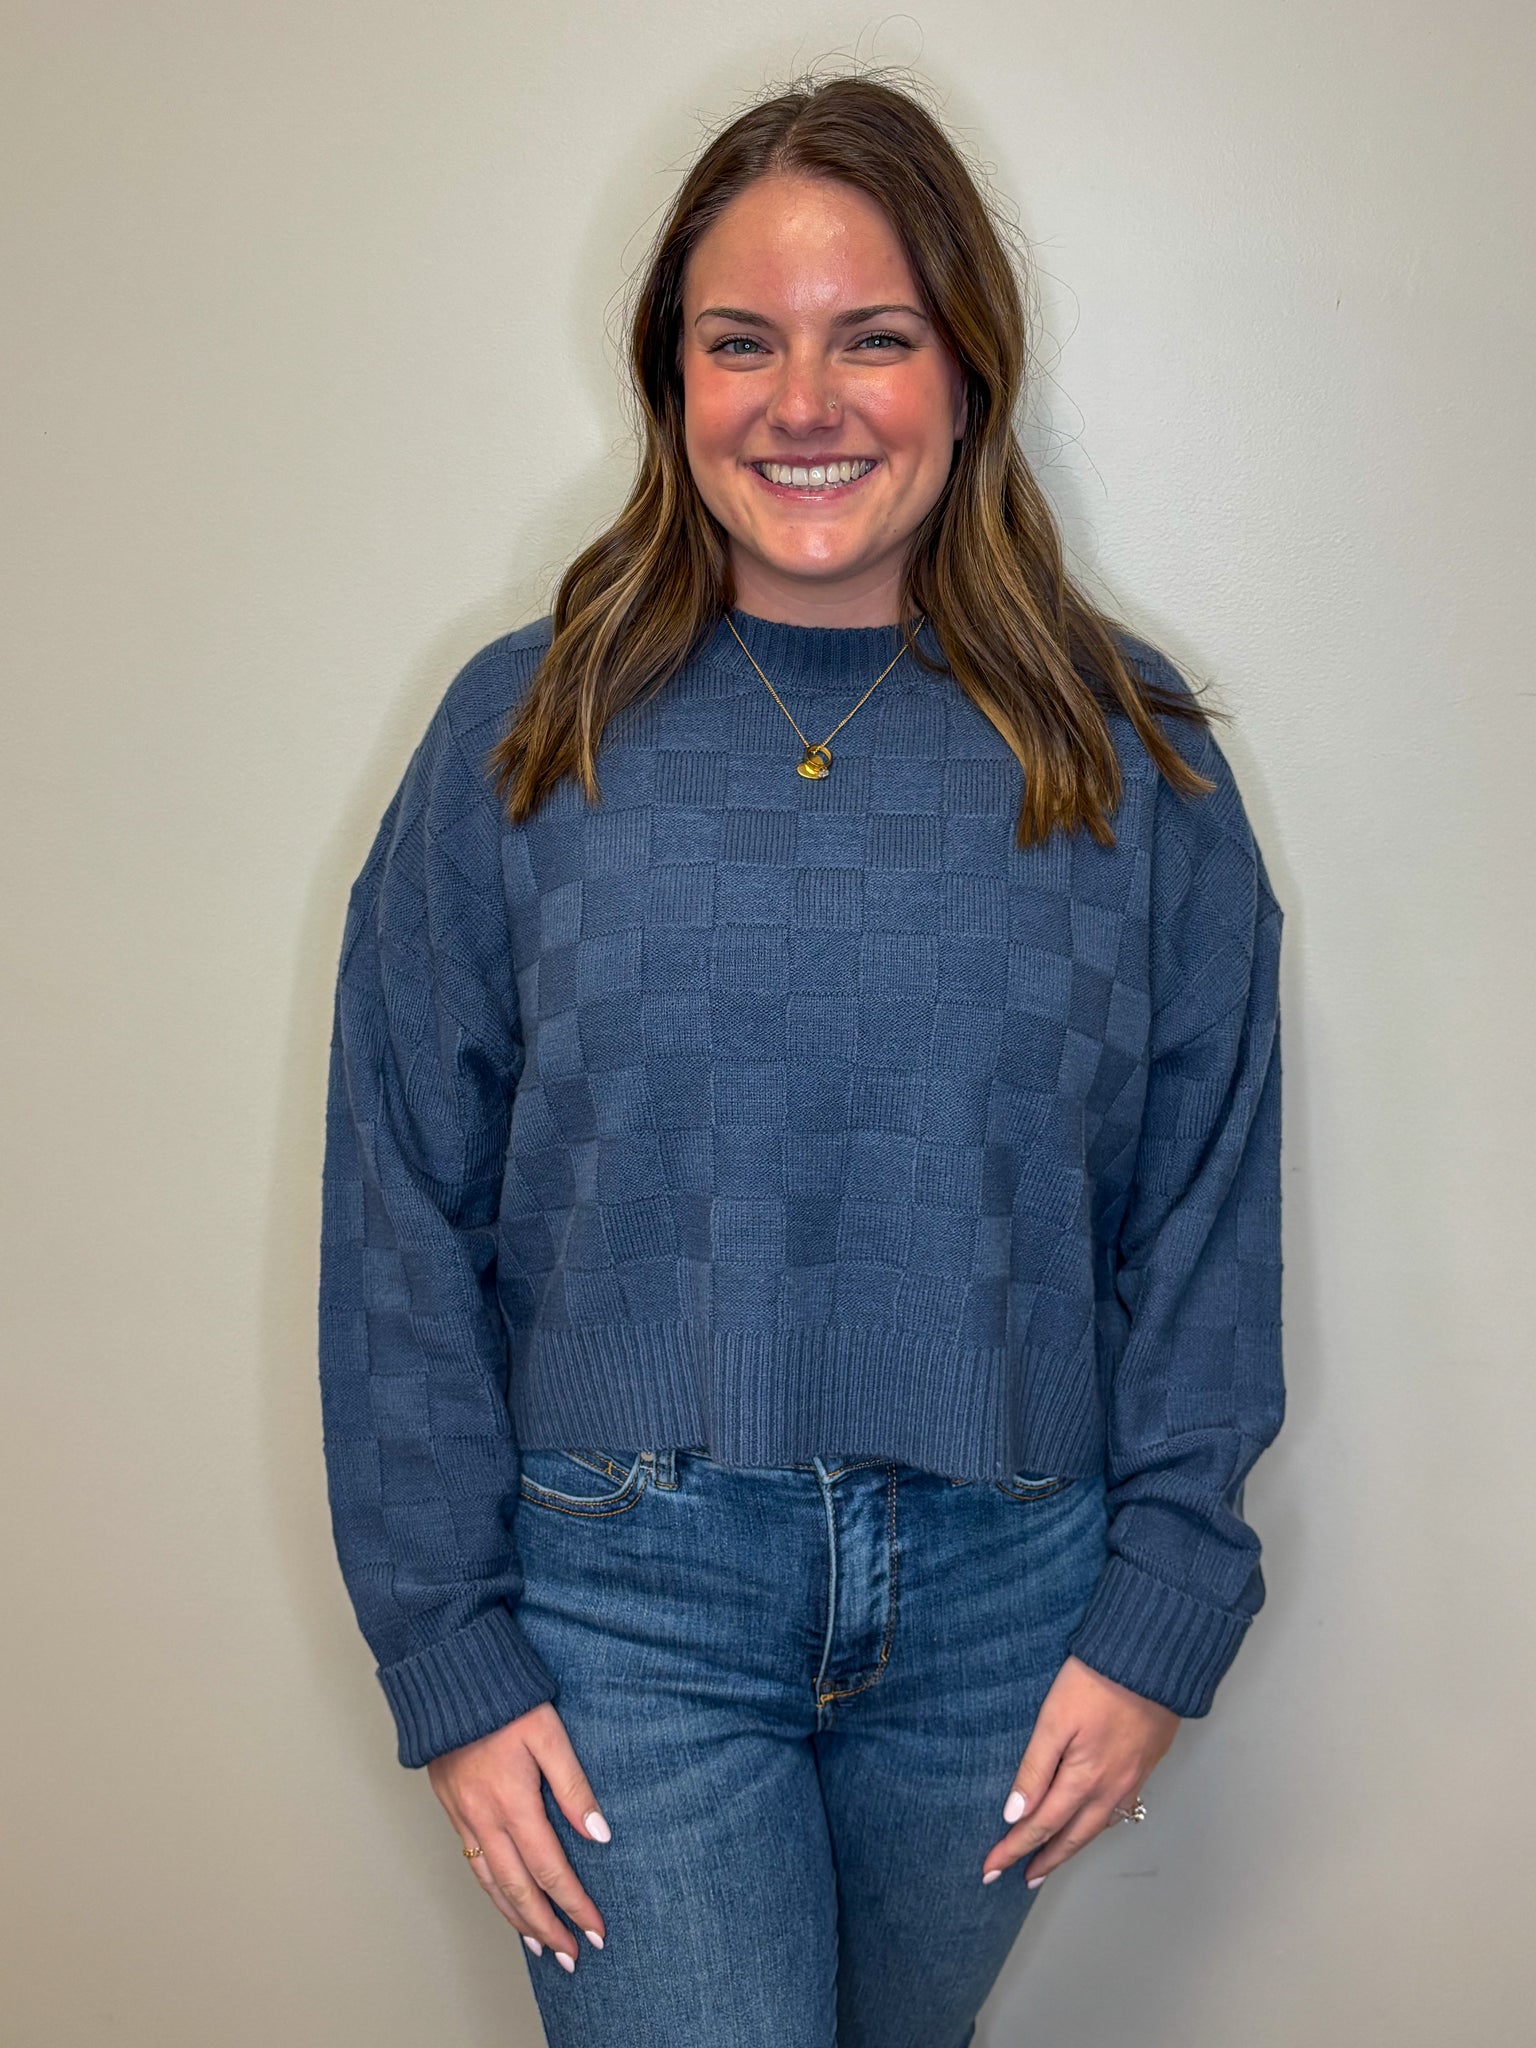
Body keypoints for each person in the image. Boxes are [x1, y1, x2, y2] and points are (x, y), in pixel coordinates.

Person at [317, 67, 1285, 2048]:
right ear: (671, 377)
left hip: (1013, 1606)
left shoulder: (1131, 750)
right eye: (740, 341)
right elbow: (399, 1192)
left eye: (876, 338)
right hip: (627, 1606)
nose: (804, 402)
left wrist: (1166, 1606)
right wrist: (449, 1652)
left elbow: (1209, 1202)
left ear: (969, 371)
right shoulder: (525, 733)